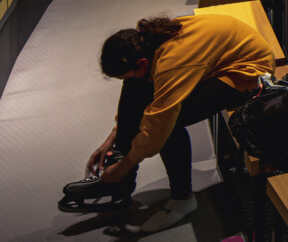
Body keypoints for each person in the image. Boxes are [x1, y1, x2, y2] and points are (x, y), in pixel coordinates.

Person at [61, 13, 275, 230]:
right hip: (223, 59)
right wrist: (111, 139)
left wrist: (123, 166)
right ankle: (120, 176)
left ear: (143, 62)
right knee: (135, 85)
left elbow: (159, 125)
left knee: (170, 121)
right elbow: (141, 103)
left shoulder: (170, 64)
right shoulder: (148, 41)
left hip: (249, 72)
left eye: (125, 73)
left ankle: (182, 199)